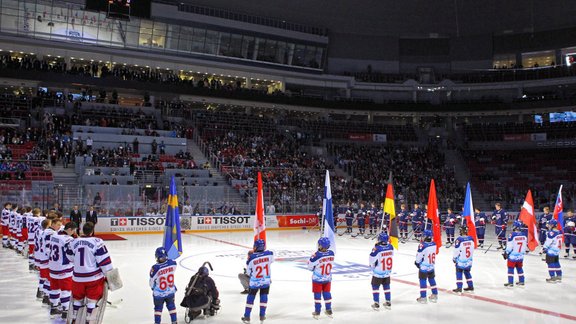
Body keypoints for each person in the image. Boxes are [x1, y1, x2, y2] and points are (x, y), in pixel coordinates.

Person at [66, 222, 114, 322]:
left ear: (83, 230)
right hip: (93, 278)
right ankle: (89, 319)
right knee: (92, 300)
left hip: (77, 278)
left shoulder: (73, 242)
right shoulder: (97, 242)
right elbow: (104, 261)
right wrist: (109, 277)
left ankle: (74, 318)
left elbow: (69, 257)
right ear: (92, 231)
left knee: (77, 299)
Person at [48, 221, 77, 319]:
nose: (73, 233)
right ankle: (65, 310)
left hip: (52, 266)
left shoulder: (54, 236)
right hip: (63, 268)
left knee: (54, 288)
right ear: (69, 229)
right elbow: (72, 253)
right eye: (73, 231)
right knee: (66, 290)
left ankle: (54, 308)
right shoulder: (68, 239)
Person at [242, 239, 274, 324]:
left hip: (255, 282)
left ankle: (247, 316)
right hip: (266, 281)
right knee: (264, 296)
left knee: (251, 297)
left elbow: (248, 272)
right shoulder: (269, 254)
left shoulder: (251, 258)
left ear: (255, 247)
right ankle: (262, 315)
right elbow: (271, 260)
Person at [308, 237, 335, 319]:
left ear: (320, 245)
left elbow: (310, 267)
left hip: (317, 279)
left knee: (317, 295)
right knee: (327, 293)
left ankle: (317, 311)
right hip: (327, 278)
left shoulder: (316, 256)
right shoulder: (331, 253)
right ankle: (329, 309)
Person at [149, 247, 177, 324]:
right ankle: (174, 322)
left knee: (158, 309)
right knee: (172, 307)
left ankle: (157, 323)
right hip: (170, 291)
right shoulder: (173, 264)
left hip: (158, 294)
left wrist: (153, 288)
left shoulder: (155, 268)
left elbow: (151, 282)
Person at [369, 232, 393, 310]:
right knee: (386, 286)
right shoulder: (391, 247)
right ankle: (388, 302)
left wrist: (375, 247)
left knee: (375, 286)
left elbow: (371, 259)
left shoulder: (377, 249)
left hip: (378, 272)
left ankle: (376, 303)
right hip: (387, 271)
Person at [415, 230, 438, 303]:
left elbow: (419, 256)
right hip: (431, 265)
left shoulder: (423, 245)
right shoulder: (434, 244)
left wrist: (417, 263)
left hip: (424, 266)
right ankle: (435, 294)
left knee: (423, 280)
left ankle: (423, 297)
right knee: (432, 279)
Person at [503, 221, 527, 288]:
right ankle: (522, 281)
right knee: (519, 268)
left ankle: (510, 282)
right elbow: (525, 245)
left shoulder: (512, 235)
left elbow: (510, 246)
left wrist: (506, 252)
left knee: (510, 268)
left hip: (513, 256)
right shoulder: (524, 234)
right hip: (520, 255)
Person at [453, 226, 475, 294]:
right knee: (467, 272)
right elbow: (472, 249)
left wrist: (454, 258)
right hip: (469, 260)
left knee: (459, 272)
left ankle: (459, 287)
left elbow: (456, 251)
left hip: (461, 260)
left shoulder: (459, 239)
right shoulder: (471, 238)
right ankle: (470, 286)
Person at [542, 219, 562, 283]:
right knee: (556, 262)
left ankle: (552, 277)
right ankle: (559, 276)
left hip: (551, 250)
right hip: (557, 250)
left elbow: (548, 242)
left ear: (553, 225)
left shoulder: (551, 233)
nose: (549, 225)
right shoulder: (560, 231)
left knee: (550, 263)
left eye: (550, 224)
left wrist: (544, 248)